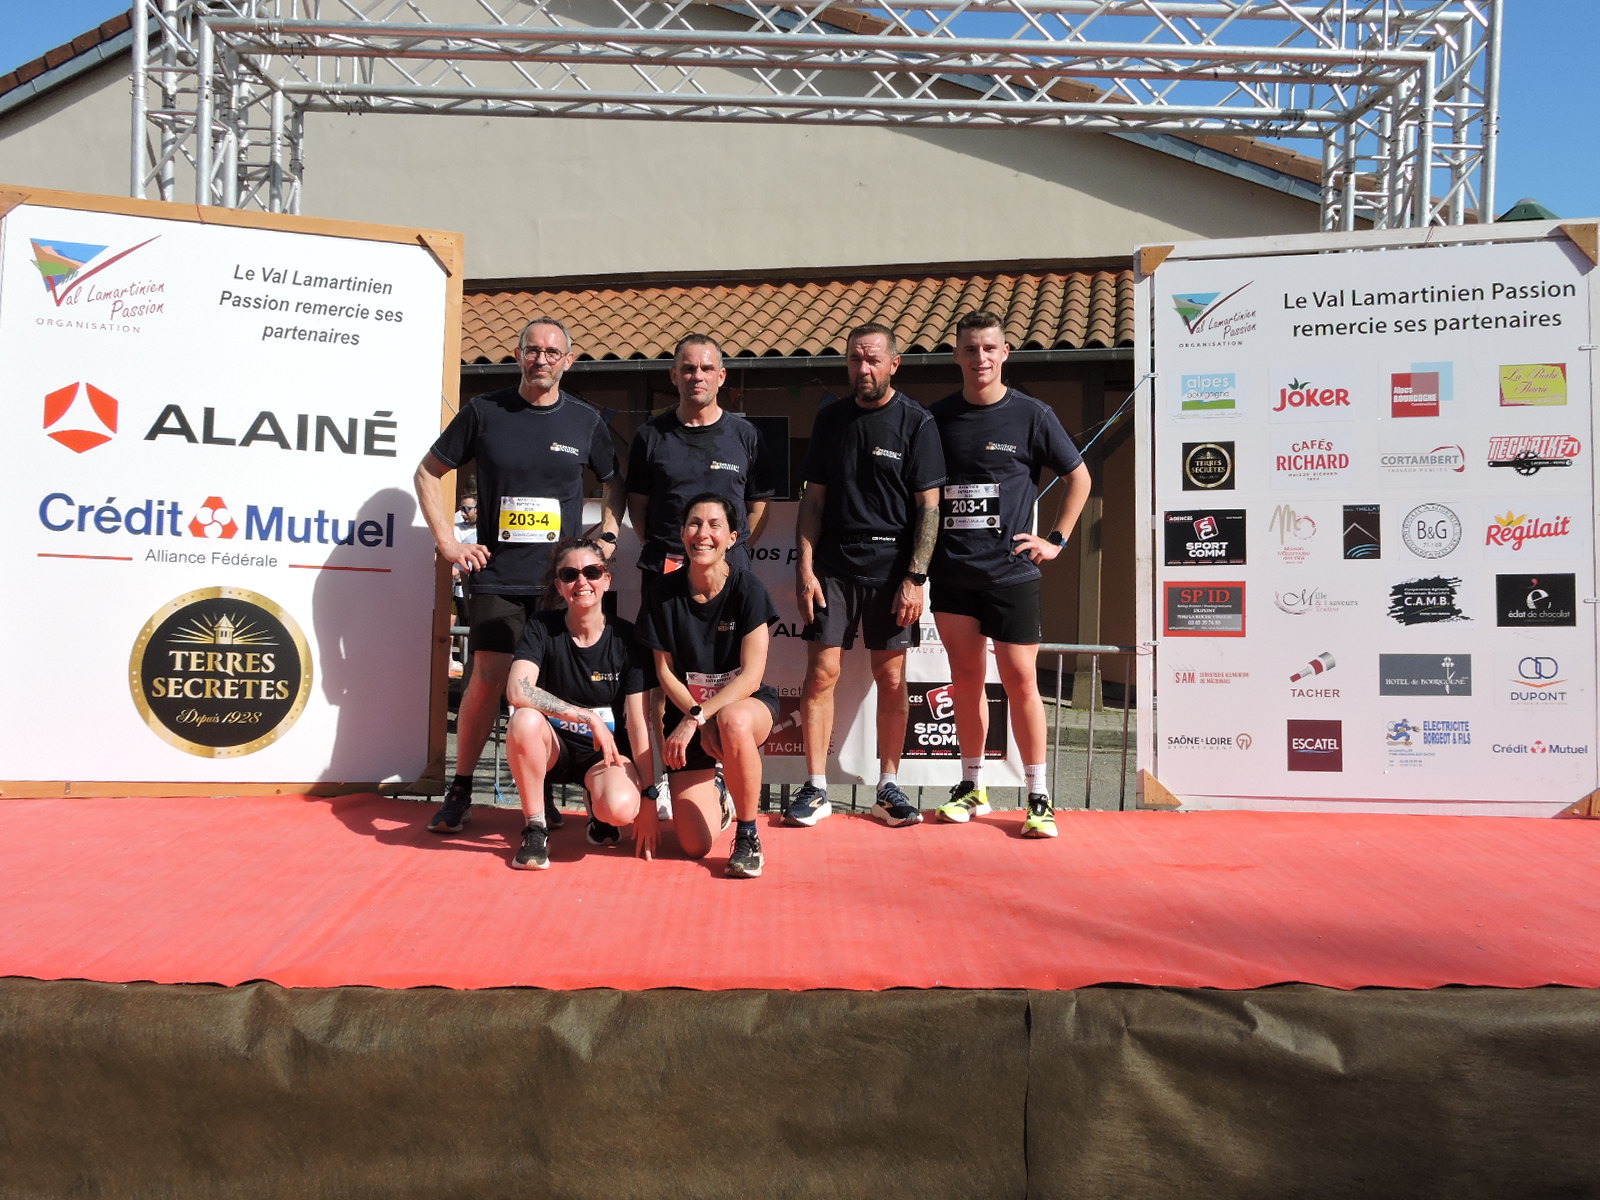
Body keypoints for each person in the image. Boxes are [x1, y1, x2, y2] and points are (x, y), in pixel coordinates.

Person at [414, 316, 623, 836]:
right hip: (499, 576)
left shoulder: (585, 420)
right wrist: (448, 542)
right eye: (533, 350)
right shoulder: (485, 412)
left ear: (567, 361)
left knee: (549, 686)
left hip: (563, 583)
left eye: (552, 352)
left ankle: (544, 791)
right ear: (518, 355)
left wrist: (608, 535)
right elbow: (426, 472)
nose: (541, 359)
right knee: (489, 678)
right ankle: (461, 789)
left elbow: (615, 482)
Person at [928, 310, 1092, 839]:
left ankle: (1039, 797)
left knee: (1021, 679)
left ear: (1004, 353)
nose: (980, 358)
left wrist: (1056, 541)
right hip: (953, 574)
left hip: (1012, 574)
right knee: (965, 680)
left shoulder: (1032, 414)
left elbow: (1080, 478)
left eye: (989, 348)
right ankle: (971, 785)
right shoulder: (936, 419)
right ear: (957, 355)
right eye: (970, 349)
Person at [787, 322, 946, 829]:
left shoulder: (917, 422)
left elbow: (929, 508)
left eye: (873, 359)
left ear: (894, 364)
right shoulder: (830, 420)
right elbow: (813, 502)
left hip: (893, 568)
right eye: (856, 359)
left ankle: (888, 787)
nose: (864, 368)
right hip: (832, 565)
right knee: (821, 675)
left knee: (892, 678)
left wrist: (915, 577)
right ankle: (815, 788)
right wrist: (805, 568)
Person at [635, 494, 779, 879]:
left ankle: (748, 836)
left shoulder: (749, 588)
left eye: (715, 525)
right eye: (694, 524)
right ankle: (720, 789)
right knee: (694, 845)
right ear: (682, 533)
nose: (703, 533)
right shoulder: (661, 592)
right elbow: (665, 674)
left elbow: (751, 677)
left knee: (733, 721)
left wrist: (699, 718)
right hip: (690, 713)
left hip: (743, 708)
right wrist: (696, 718)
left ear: (732, 537)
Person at [502, 539, 655, 871]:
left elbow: (638, 724)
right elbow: (517, 689)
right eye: (570, 574)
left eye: (592, 572)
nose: (581, 581)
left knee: (620, 809)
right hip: (554, 749)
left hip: (605, 755)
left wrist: (649, 798)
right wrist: (586, 717)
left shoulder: (628, 638)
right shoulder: (542, 626)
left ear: (607, 579)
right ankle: (535, 828)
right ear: (559, 586)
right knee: (523, 720)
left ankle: (597, 807)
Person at [626, 334, 774, 581]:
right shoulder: (649, 435)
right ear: (674, 375)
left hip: (728, 569)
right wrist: (661, 546)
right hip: (665, 570)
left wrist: (730, 550)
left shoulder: (748, 436)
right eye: (689, 369)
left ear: (721, 376)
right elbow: (637, 505)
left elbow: (759, 507)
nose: (698, 376)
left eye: (707, 368)